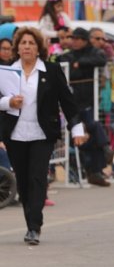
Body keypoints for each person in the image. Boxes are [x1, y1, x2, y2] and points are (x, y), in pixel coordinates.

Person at [0, 27, 84, 245]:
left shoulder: (51, 71)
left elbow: (68, 101)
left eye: (31, 43)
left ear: (39, 48)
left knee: (37, 178)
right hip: (15, 134)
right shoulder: (8, 71)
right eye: (23, 43)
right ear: (17, 48)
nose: (27, 46)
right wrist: (9, 102)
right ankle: (31, 221)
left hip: (42, 134)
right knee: (24, 181)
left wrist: (77, 129)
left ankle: (34, 227)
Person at [57, 27, 110, 187]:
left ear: (85, 40)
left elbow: (101, 59)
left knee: (92, 130)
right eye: (73, 38)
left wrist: (80, 64)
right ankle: (102, 152)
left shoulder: (93, 52)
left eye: (78, 38)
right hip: (72, 104)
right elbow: (61, 62)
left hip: (88, 102)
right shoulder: (68, 54)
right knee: (81, 135)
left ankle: (95, 170)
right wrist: (76, 65)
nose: (75, 41)